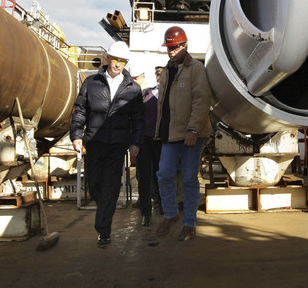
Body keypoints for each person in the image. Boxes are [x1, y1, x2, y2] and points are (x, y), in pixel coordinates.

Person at [70, 41, 144, 245]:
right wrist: (76, 135)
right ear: (107, 59)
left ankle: (104, 230)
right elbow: (80, 110)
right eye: (115, 59)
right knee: (94, 183)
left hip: (117, 144)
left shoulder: (133, 89)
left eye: (122, 61)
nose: (118, 64)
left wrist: (135, 142)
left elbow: (137, 118)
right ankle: (104, 211)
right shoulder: (91, 83)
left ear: (125, 63)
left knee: (111, 185)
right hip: (94, 141)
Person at [155, 26, 212, 241]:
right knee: (164, 174)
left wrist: (193, 129)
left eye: (175, 47)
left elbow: (202, 100)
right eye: (168, 47)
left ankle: (189, 223)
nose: (171, 51)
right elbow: (163, 104)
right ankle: (171, 214)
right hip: (169, 133)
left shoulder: (196, 69)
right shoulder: (166, 71)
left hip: (191, 134)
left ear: (185, 46)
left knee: (189, 178)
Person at [129, 63, 164, 226]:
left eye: (163, 74)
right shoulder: (146, 93)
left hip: (162, 142)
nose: (159, 76)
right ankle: (145, 211)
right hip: (144, 142)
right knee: (144, 176)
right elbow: (136, 118)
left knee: (162, 175)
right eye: (157, 74)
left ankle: (163, 206)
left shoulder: (172, 96)